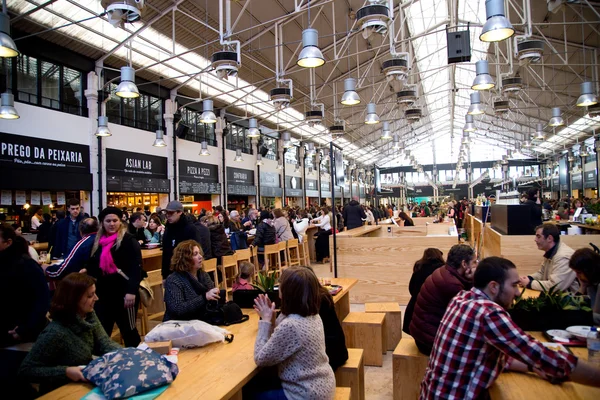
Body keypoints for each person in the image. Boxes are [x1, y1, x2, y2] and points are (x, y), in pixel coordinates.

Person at [420, 256, 600, 400]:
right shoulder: (489, 314)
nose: (517, 292)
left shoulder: (462, 299)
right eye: (513, 285)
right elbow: (543, 356)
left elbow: (502, 356)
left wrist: (533, 368)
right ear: (493, 286)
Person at [19, 273, 121, 395]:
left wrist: (130, 354)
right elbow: (26, 371)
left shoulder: (88, 316)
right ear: (74, 299)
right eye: (90, 295)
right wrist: (66, 372)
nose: (96, 298)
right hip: (60, 391)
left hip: (83, 386)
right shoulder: (55, 332)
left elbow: (104, 344)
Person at [252, 267, 336, 399]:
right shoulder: (312, 315)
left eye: (280, 285)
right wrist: (273, 320)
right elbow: (279, 342)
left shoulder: (292, 325)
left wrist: (266, 321)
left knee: (249, 393)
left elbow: (260, 359)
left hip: (305, 393)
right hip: (322, 385)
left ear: (287, 292)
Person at [85, 207, 143, 347]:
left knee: (128, 330)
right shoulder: (97, 242)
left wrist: (131, 291)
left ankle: (136, 360)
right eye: (108, 221)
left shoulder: (129, 241)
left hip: (124, 294)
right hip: (103, 294)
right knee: (102, 332)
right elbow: (93, 264)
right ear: (102, 223)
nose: (112, 224)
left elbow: (136, 268)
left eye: (115, 220)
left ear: (120, 222)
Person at [410, 244, 477, 355]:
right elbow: (471, 313)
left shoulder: (445, 271)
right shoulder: (451, 284)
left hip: (422, 334)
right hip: (428, 341)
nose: (476, 265)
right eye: (474, 262)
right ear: (464, 264)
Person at [0, 225, 49, 347]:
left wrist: (24, 329)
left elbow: (42, 300)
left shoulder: (25, 265)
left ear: (8, 242)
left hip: (18, 334)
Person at [163, 240, 220, 321]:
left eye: (200, 253)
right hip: (178, 325)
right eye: (195, 254)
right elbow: (178, 309)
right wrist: (204, 297)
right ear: (185, 259)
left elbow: (211, 299)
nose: (200, 257)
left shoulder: (203, 275)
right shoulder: (174, 280)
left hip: (200, 320)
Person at [519, 224, 577, 292]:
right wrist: (529, 278)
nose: (535, 240)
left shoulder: (563, 256)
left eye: (538, 236)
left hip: (569, 301)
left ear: (549, 238)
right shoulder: (551, 251)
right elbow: (542, 273)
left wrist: (529, 283)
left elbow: (555, 286)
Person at [162, 200, 209, 280]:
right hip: (171, 272)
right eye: (166, 213)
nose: (168, 216)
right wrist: (164, 275)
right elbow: (165, 253)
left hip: (188, 272)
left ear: (179, 212)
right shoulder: (168, 228)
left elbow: (196, 251)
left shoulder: (190, 229)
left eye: (171, 213)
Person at [403, 248, 445, 336]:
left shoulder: (419, 267)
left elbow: (411, 287)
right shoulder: (442, 269)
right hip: (433, 308)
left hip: (414, 306)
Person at [569, 248, 600, 325]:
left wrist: (581, 315)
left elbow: (595, 317)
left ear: (589, 270)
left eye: (579, 272)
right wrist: (582, 287)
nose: (577, 276)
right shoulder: (590, 283)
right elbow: (572, 307)